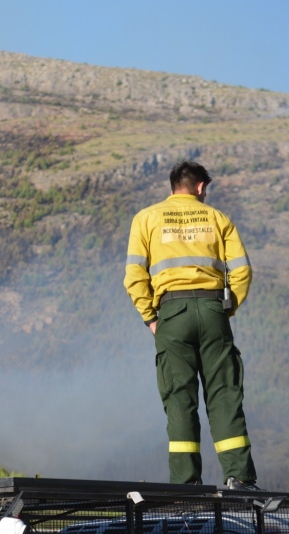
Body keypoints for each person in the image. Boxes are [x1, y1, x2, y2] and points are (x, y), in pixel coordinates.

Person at [123, 160, 260, 490]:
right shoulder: (217, 218)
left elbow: (134, 277)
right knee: (224, 394)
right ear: (200, 187)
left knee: (180, 399)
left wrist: (151, 318)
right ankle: (239, 477)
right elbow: (241, 271)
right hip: (212, 310)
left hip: (171, 314)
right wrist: (225, 311)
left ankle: (186, 483)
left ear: (173, 186)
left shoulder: (146, 219)